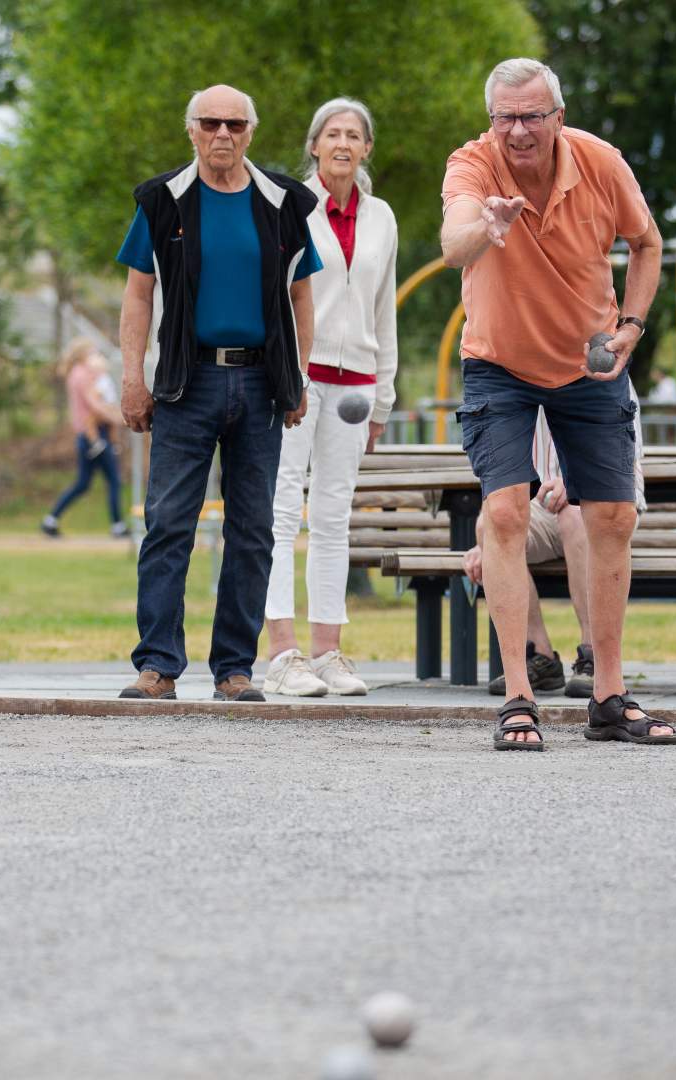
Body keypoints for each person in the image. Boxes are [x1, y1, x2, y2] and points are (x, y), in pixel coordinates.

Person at [440, 57, 675, 750]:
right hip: (498, 363)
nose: (518, 131)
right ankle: (519, 697)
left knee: (613, 516)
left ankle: (608, 696)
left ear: (558, 117)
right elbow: (453, 245)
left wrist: (631, 326)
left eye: (532, 116)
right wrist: (488, 226)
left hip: (587, 362)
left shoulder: (600, 162)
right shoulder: (473, 164)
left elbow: (647, 242)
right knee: (504, 513)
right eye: (505, 118)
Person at [115, 84, 322, 703]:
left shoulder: (281, 201)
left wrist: (298, 376)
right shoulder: (162, 201)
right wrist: (132, 376)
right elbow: (138, 293)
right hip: (186, 382)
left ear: (251, 132)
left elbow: (302, 296)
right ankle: (158, 666)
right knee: (168, 524)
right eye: (210, 123)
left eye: (234, 124)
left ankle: (235, 669)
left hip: (261, 383)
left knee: (253, 529)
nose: (222, 134)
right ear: (192, 131)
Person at [263, 97, 398, 698]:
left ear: (366, 148)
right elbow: (275, 298)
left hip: (356, 383)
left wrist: (383, 399)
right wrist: (281, 376)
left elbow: (383, 308)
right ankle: (282, 654)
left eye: (354, 135)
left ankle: (327, 654)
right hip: (297, 379)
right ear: (314, 145)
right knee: (279, 512)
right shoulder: (289, 206)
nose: (343, 143)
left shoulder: (382, 218)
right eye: (332, 134)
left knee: (334, 517)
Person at [463, 394, 646, 699]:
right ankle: (540, 655)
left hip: (604, 501)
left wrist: (574, 480)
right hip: (541, 506)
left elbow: (620, 460)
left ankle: (592, 657)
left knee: (576, 510)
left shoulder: (606, 376)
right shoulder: (514, 381)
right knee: (488, 524)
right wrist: (489, 543)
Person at [41, 338, 130, 539]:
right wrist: (119, 418)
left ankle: (50, 520)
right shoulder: (82, 375)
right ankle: (118, 526)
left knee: (83, 483)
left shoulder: (78, 374)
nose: (95, 356)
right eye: (91, 352)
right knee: (113, 480)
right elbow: (95, 405)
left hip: (90, 434)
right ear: (82, 355)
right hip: (94, 434)